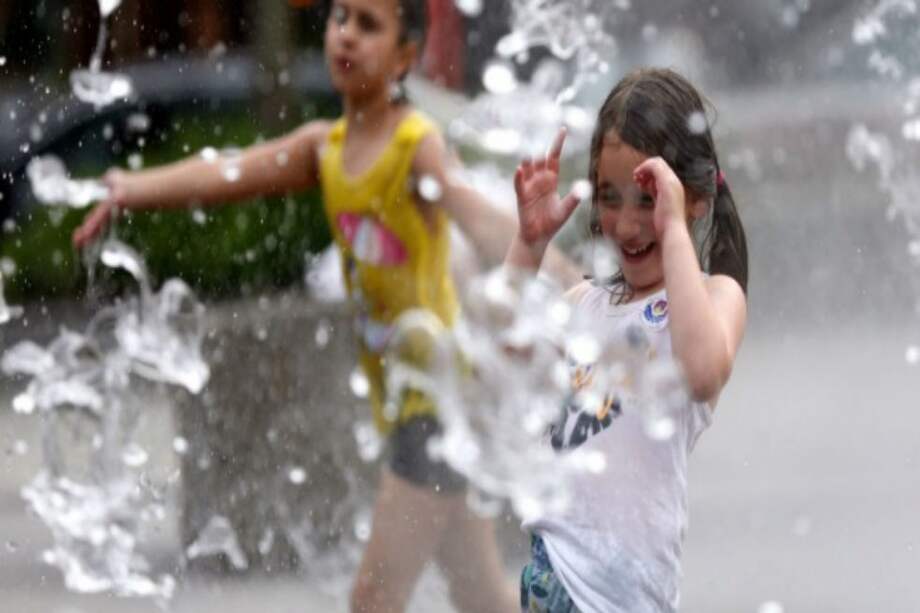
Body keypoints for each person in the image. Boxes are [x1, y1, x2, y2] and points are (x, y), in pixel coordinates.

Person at [72, 1, 576, 611]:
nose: (347, 35)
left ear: (405, 56)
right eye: (341, 18)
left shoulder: (414, 144)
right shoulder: (325, 148)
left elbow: (482, 222)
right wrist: (131, 189)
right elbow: (228, 172)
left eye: (370, 25)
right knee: (482, 595)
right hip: (412, 403)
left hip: (434, 409)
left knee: (373, 601)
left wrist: (580, 294)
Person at [505, 67, 749, 612]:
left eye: (648, 198)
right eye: (610, 197)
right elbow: (500, 357)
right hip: (553, 580)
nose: (627, 222)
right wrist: (528, 246)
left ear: (696, 198)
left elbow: (704, 370)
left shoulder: (707, 303)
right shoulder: (582, 306)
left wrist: (675, 229)